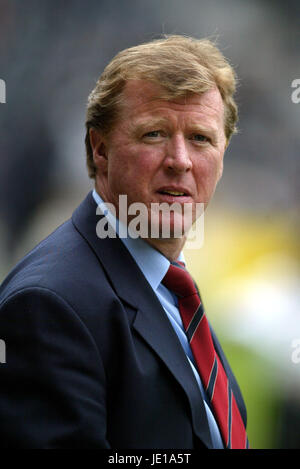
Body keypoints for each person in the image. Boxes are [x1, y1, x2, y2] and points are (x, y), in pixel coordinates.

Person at [0, 35, 249, 449]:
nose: (181, 160)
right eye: (154, 134)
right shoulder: (49, 308)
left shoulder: (169, 286)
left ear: (224, 153)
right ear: (101, 149)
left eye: (201, 138)